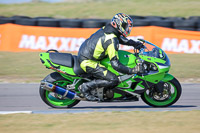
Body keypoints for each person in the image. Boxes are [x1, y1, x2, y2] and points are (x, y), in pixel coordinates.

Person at [77, 13, 144, 101]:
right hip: (88, 61)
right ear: (118, 24)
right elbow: (115, 64)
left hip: (88, 54)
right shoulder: (111, 40)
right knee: (113, 79)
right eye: (125, 26)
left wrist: (134, 44)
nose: (127, 29)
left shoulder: (109, 29)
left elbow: (119, 38)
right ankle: (85, 87)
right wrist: (131, 70)